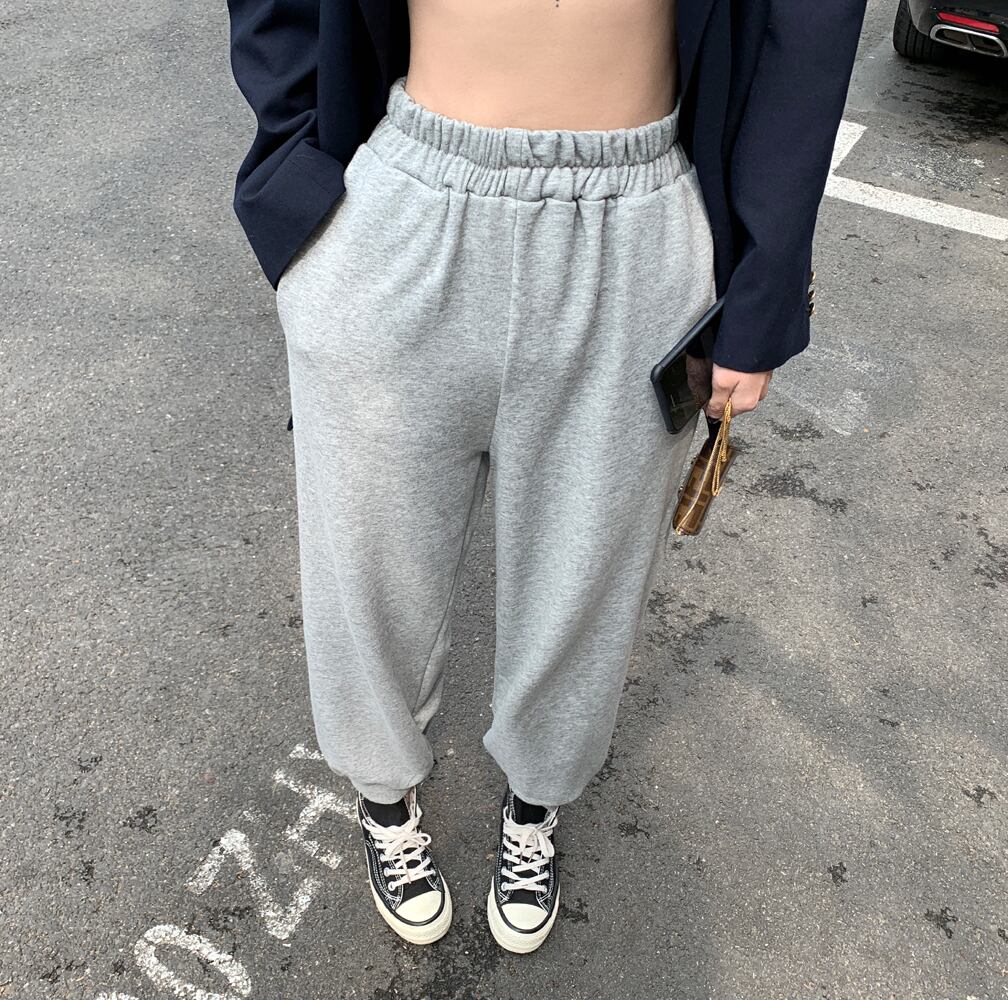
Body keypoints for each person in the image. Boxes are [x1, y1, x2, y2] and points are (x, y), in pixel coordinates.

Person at [225, 0, 867, 954]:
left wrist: (766, 286)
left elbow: (803, 26)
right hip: (401, 203)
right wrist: (295, 188)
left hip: (636, 218)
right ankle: (382, 797)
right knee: (367, 558)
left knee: (586, 573)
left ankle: (536, 804)